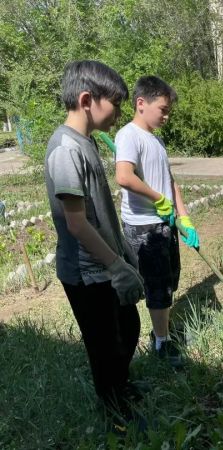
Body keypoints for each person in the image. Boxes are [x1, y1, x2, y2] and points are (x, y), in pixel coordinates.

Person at [44, 61, 145, 420]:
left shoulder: (85, 142)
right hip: (86, 273)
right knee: (104, 347)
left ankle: (121, 387)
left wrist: (123, 252)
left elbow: (98, 211)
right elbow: (76, 223)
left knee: (127, 328)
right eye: (115, 104)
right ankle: (115, 413)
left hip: (104, 263)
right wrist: (116, 266)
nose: (119, 112)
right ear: (87, 100)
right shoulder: (65, 150)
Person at [115, 75, 199, 369]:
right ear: (141, 103)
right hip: (144, 227)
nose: (166, 116)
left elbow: (170, 181)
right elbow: (124, 176)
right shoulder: (128, 135)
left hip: (165, 222)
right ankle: (161, 344)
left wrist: (184, 216)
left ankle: (160, 330)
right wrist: (158, 200)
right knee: (157, 286)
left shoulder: (156, 138)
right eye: (163, 109)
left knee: (169, 279)